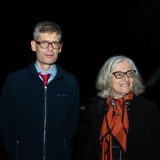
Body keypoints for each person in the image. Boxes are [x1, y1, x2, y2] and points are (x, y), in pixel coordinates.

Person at [0, 21, 80, 160]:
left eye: (55, 43)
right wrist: (16, 151)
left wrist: (64, 148)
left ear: (60, 47)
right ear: (33, 45)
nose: (50, 49)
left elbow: (72, 124)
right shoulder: (14, 81)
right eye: (44, 43)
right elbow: (6, 123)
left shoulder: (70, 82)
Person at [84, 55, 160, 160]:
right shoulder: (96, 108)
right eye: (119, 74)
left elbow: (156, 148)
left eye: (130, 73)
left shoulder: (148, 108)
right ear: (108, 79)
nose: (126, 79)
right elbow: (91, 148)